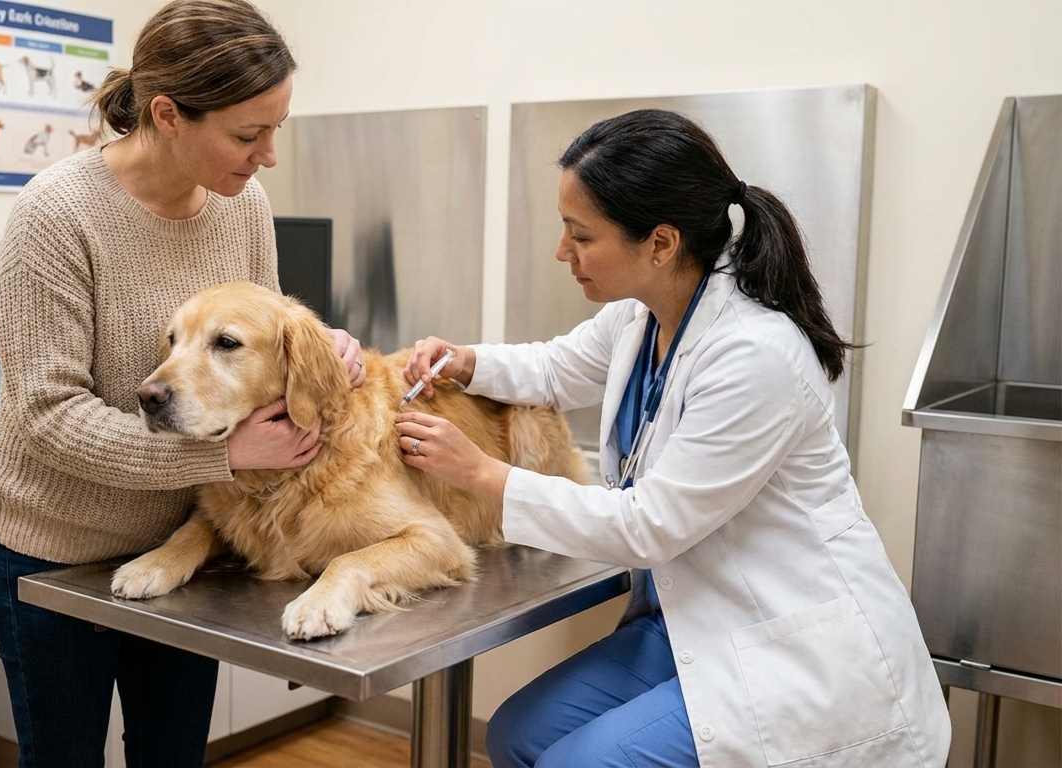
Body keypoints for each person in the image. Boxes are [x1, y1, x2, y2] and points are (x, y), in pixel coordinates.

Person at [394, 109, 950, 767]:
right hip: (688, 620)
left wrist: (482, 473)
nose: (561, 252)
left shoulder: (755, 356)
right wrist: (466, 361)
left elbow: (647, 527)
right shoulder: (642, 314)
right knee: (516, 735)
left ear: (660, 243)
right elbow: (558, 367)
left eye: (579, 234)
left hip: (793, 649)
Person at [0, 2, 365, 766]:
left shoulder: (242, 205)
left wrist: (321, 353)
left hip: (186, 544)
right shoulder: (54, 216)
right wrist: (221, 460)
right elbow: (48, 417)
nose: (268, 157)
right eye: (248, 134)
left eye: (276, 129)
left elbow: (256, 354)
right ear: (167, 114)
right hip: (56, 553)